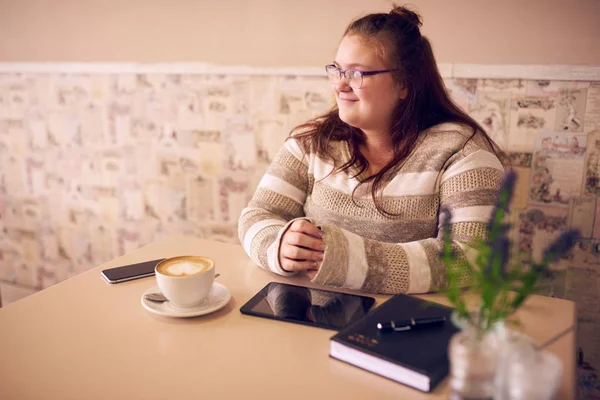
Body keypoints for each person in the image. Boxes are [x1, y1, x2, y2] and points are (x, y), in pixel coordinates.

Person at [238, 5, 508, 294]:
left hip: (407, 328)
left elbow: (472, 256)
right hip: (313, 318)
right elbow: (258, 214)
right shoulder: (312, 141)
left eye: (357, 73)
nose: (340, 85)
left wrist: (350, 262)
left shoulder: (463, 153)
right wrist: (279, 246)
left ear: (405, 83)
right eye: (337, 70)